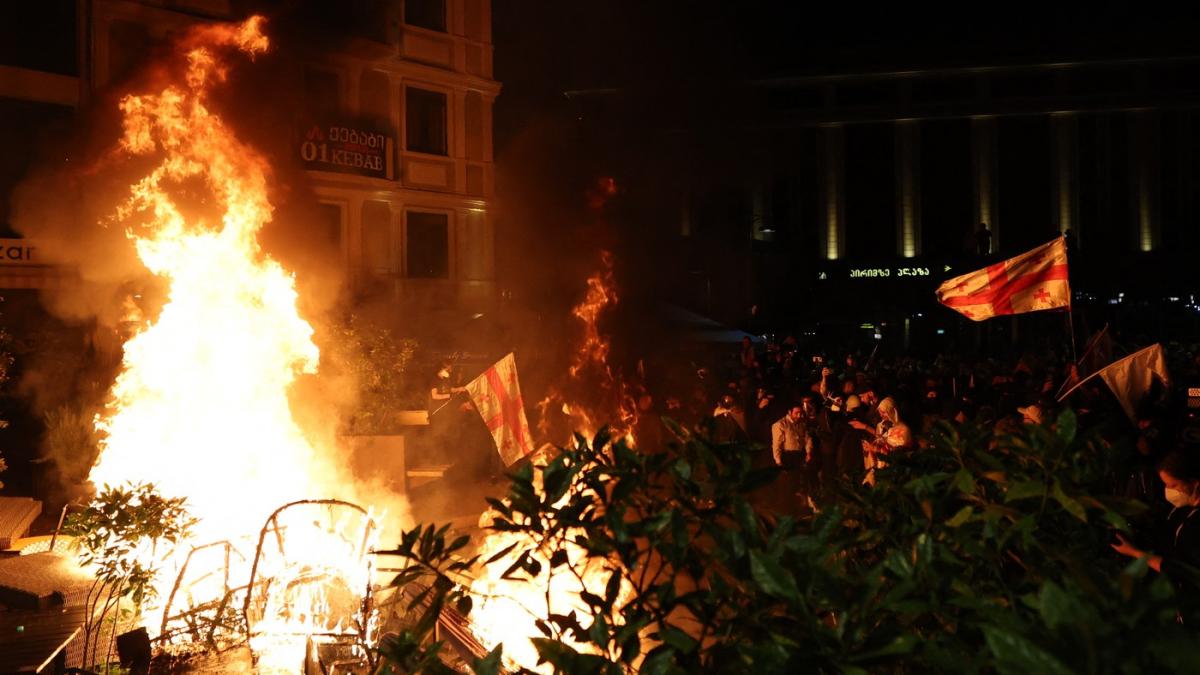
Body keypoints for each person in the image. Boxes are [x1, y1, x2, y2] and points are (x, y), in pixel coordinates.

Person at [1112, 451, 1200, 598]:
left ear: (1194, 482)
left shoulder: (1195, 523)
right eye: (1166, 485)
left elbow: (1183, 571)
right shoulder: (1180, 509)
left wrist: (1134, 552)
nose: (1169, 491)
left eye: (1173, 485)